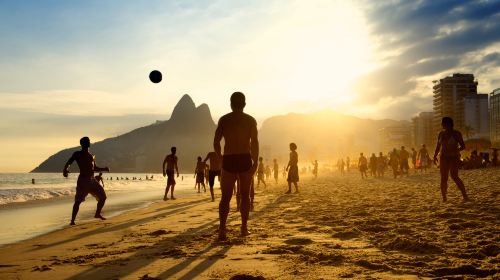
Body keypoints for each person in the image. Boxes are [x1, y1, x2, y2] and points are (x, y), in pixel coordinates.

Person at [214, 92, 258, 240]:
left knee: (225, 197)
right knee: (245, 195)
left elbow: (216, 142)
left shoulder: (224, 120)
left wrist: (221, 158)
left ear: (231, 104)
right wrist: (255, 161)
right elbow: (255, 143)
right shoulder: (250, 120)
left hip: (229, 159)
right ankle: (244, 228)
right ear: (244, 104)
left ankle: (222, 230)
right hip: (245, 158)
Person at [63, 137, 109, 225]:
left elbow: (94, 168)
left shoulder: (91, 156)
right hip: (83, 180)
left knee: (103, 197)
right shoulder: (77, 154)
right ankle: (72, 221)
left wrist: (104, 169)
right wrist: (65, 170)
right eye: (86, 141)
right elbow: (69, 162)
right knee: (78, 201)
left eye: (89, 141)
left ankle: (97, 214)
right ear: (82, 144)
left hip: (92, 180)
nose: (88, 142)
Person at [433, 117, 469, 202]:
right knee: (443, 178)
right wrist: (434, 156)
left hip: (454, 157)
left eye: (442, 123)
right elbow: (438, 146)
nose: (441, 125)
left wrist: (456, 150)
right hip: (443, 157)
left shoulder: (456, 133)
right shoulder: (441, 134)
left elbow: (463, 146)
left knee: (454, 176)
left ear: (447, 124)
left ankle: (465, 195)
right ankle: (444, 197)